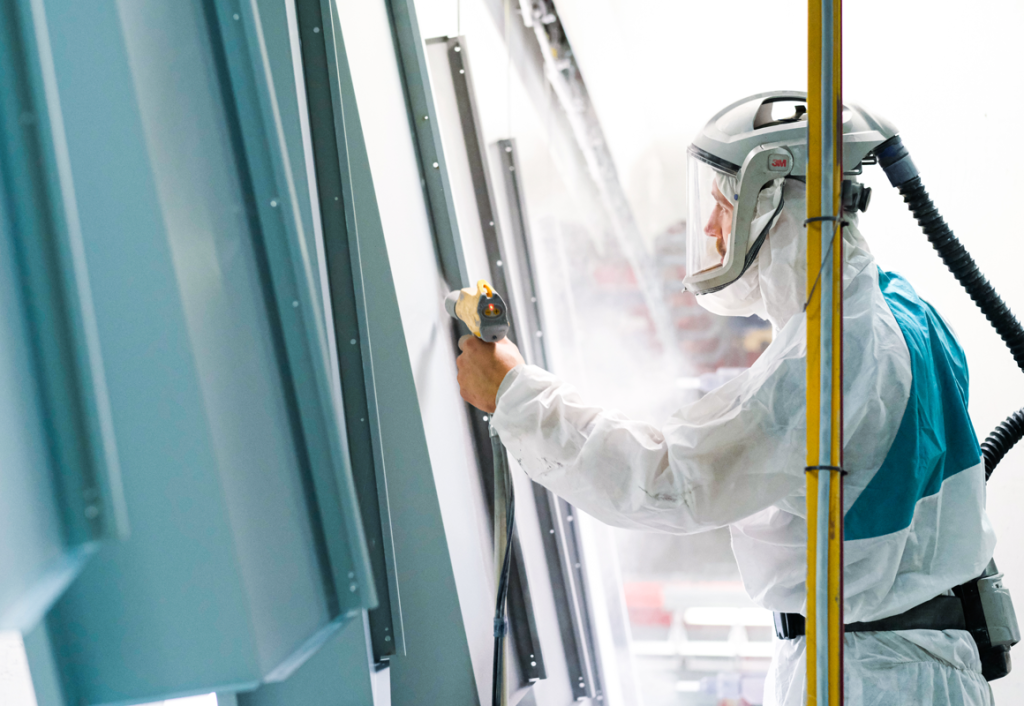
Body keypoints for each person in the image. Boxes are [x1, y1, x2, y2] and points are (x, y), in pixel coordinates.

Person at [456, 99, 996, 704]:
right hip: (895, 663)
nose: (711, 229)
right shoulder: (899, 311)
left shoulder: (834, 357)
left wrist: (516, 394)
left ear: (777, 201)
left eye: (722, 204)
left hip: (870, 676)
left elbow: (670, 482)